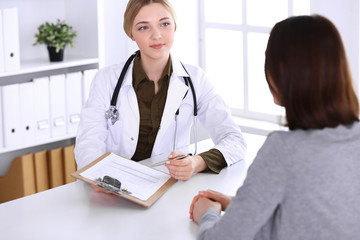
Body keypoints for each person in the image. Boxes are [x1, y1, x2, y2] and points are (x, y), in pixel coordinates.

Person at [189, 15, 360, 239]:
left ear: (281, 70)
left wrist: (207, 214)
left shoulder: (283, 150)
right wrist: (240, 206)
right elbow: (323, 215)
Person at [74, 0, 246, 181]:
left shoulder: (196, 80)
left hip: (169, 185)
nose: (157, 35)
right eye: (143, 27)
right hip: (114, 186)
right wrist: (98, 177)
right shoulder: (106, 80)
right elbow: (88, 144)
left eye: (164, 24)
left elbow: (234, 140)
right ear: (130, 33)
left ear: (175, 26)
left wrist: (197, 162)